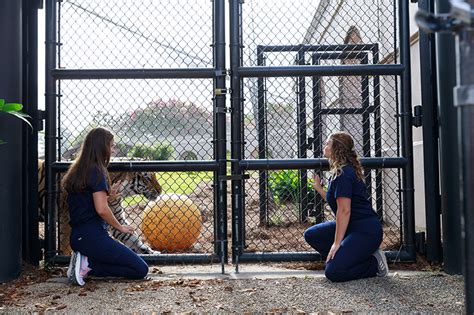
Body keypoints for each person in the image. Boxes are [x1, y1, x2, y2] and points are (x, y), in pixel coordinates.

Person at [61, 127, 148, 286]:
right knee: (140, 269)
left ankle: (85, 263)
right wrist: (120, 227)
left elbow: (87, 204)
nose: (113, 150)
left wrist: (108, 197)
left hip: (80, 237)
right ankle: (88, 265)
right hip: (93, 237)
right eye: (112, 146)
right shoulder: (97, 171)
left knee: (129, 264)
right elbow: (101, 209)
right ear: (101, 147)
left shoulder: (78, 169)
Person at [304, 131, 388, 282]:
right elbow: (338, 202)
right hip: (350, 227)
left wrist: (337, 243)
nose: (325, 146)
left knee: (334, 272)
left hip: (365, 230)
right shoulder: (340, 171)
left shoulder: (343, 173)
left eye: (328, 143)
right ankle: (346, 256)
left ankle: (374, 263)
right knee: (311, 234)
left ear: (336, 148)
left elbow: (344, 210)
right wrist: (319, 189)